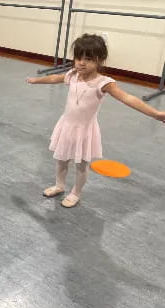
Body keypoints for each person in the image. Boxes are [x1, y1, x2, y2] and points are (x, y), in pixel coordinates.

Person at [26, 33, 165, 208]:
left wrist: (156, 114)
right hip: (66, 126)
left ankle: (76, 192)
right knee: (61, 159)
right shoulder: (73, 75)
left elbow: (127, 98)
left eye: (88, 59)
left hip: (84, 131)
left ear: (100, 60)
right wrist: (36, 80)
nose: (81, 62)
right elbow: (54, 78)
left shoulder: (104, 83)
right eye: (78, 58)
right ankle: (59, 185)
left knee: (81, 166)